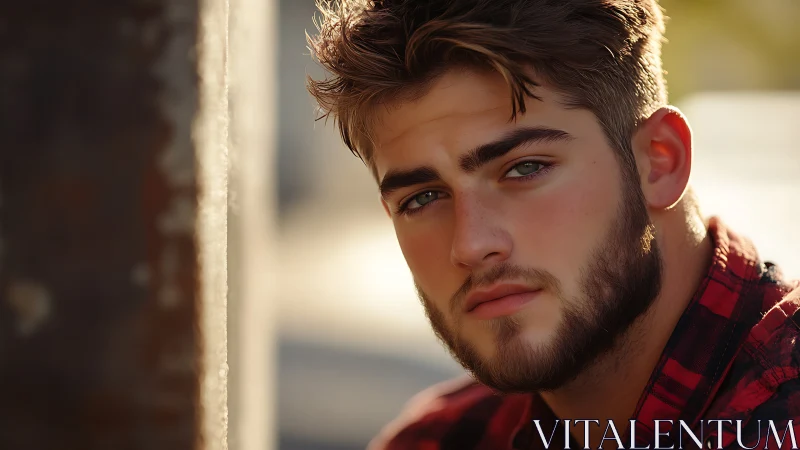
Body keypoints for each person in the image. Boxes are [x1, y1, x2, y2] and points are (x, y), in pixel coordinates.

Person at [306, 1, 800, 448]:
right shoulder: (438, 439)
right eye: (422, 198)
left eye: (524, 168)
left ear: (659, 161)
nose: (471, 244)